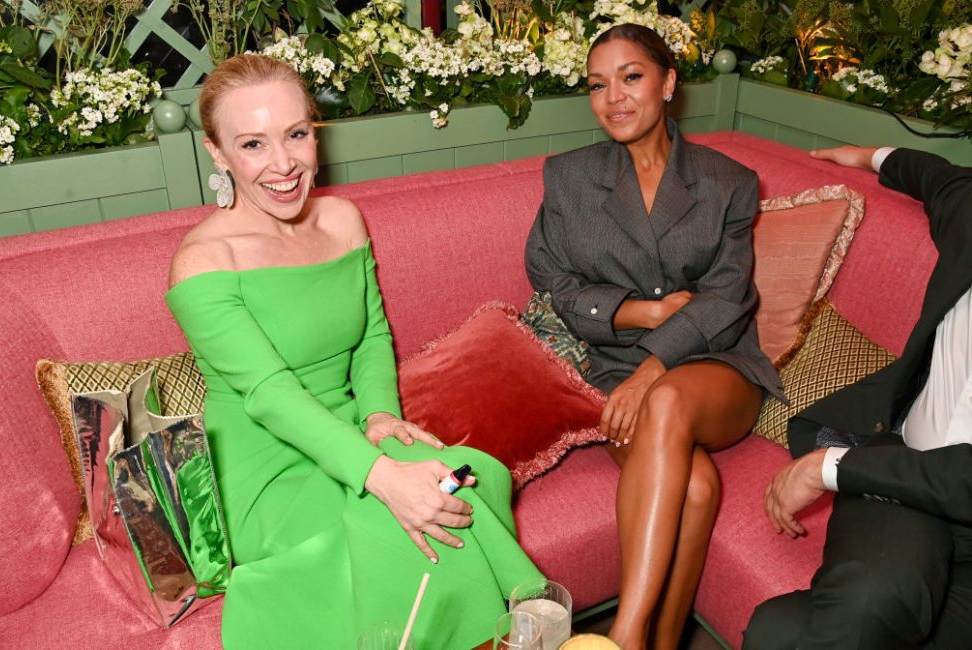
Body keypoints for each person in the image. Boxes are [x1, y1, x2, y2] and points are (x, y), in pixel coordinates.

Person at [165, 54, 543, 649]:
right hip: (264, 463)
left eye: (295, 135)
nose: (284, 164)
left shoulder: (343, 219)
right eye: (253, 145)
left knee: (464, 478)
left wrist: (380, 416)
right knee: (388, 523)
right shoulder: (203, 261)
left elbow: (370, 335)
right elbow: (269, 396)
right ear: (217, 153)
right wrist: (383, 476)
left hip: (352, 428)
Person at [525, 23, 784, 650]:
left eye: (631, 76)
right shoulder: (569, 178)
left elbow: (728, 297)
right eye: (597, 84)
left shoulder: (730, 182)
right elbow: (550, 277)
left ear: (668, 84)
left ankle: (626, 633)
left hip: (716, 363)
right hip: (612, 368)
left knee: (665, 397)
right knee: (696, 489)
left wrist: (653, 366)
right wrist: (641, 313)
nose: (613, 97)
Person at [744, 145, 972, 649]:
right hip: (907, 484)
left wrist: (831, 467)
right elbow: (938, 177)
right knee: (872, 598)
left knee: (777, 633)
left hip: (938, 487)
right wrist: (865, 155)